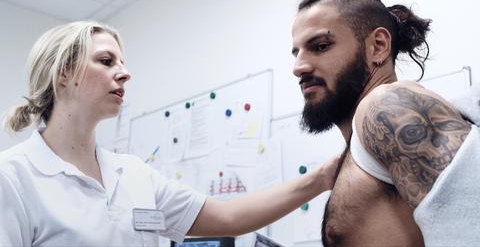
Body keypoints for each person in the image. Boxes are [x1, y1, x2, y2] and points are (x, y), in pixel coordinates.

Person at [0, 21, 341, 247]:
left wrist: (322, 178)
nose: (125, 73)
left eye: (122, 62)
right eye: (106, 61)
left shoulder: (133, 175)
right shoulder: (13, 176)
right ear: (63, 73)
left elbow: (229, 218)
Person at [291, 0, 479, 247]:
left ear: (378, 46)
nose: (298, 67)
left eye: (320, 46)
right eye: (296, 52)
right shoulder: (367, 137)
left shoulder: (389, 106)